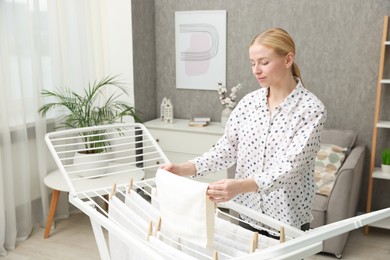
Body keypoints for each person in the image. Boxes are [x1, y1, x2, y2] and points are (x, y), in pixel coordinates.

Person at [160, 27, 326, 236]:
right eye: (252, 63)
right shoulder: (248, 103)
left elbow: (290, 168)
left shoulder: (311, 109)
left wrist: (240, 186)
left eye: (264, 62)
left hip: (286, 219)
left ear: (288, 59)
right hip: (248, 212)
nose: (256, 70)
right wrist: (184, 168)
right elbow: (225, 150)